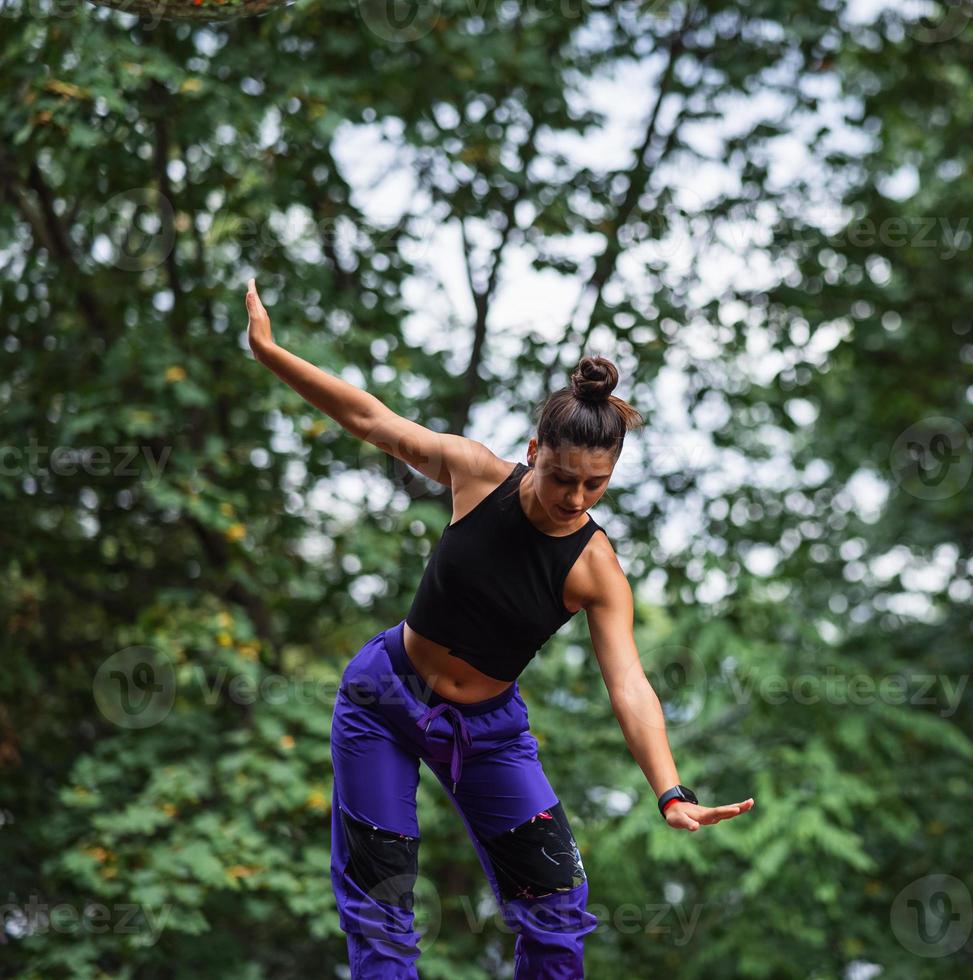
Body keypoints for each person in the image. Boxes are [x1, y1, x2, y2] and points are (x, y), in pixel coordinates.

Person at [243, 278, 754, 978]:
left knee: (559, 911)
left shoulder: (595, 569)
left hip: (488, 734)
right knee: (380, 903)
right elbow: (369, 419)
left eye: (594, 485)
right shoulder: (474, 475)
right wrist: (270, 352)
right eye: (560, 477)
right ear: (533, 448)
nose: (574, 498)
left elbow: (628, 683)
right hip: (382, 703)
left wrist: (670, 791)